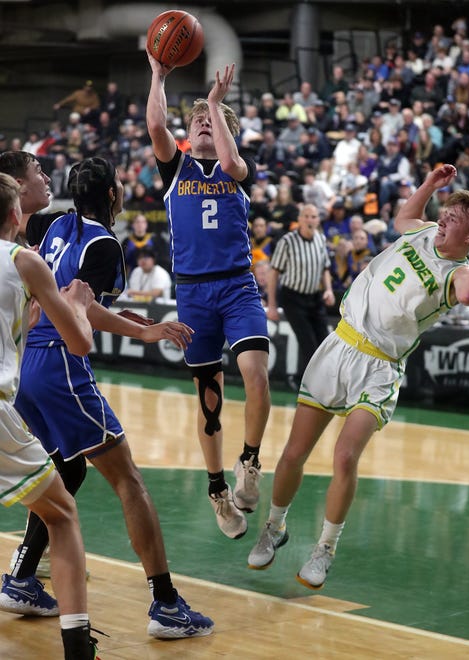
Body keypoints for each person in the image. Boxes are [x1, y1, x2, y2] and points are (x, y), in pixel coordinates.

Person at [248, 163, 469, 589]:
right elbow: (401, 218)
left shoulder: (458, 273)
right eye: (444, 212)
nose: (443, 218)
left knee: (344, 457)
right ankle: (275, 526)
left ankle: (325, 548)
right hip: (339, 345)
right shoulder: (422, 232)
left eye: (454, 219)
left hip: (379, 366)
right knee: (293, 453)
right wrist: (430, 185)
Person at [0, 153, 214, 640]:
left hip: (25, 361)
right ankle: (166, 604)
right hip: (59, 365)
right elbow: (82, 311)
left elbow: (68, 298)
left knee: (66, 469)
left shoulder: (52, 229)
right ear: (115, 194)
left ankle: (21, 577)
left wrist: (143, 330)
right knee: (129, 480)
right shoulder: (104, 245)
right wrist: (144, 332)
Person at [146, 55, 270, 540]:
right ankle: (218, 490)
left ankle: (251, 462)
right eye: (196, 119)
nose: (200, 123)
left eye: (209, 120)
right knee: (209, 401)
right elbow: (156, 122)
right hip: (194, 293)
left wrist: (215, 105)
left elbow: (235, 162)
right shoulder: (174, 168)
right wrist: (158, 74)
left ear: (222, 130)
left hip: (237, 285)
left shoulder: (238, 168)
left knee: (257, 375)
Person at [0, 172, 98, 659]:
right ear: (16, 216)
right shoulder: (24, 259)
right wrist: (78, 305)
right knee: (61, 514)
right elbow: (79, 342)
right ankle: (79, 650)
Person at [267, 203, 335, 390]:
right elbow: (274, 273)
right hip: (292, 298)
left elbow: (325, 268)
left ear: (318, 220)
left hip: (314, 297)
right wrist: (272, 305)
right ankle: (310, 387)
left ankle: (306, 380)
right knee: (308, 343)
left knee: (324, 342)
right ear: (299, 219)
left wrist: (328, 289)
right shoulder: (287, 241)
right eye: (306, 216)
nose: (310, 220)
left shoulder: (321, 239)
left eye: (313, 216)